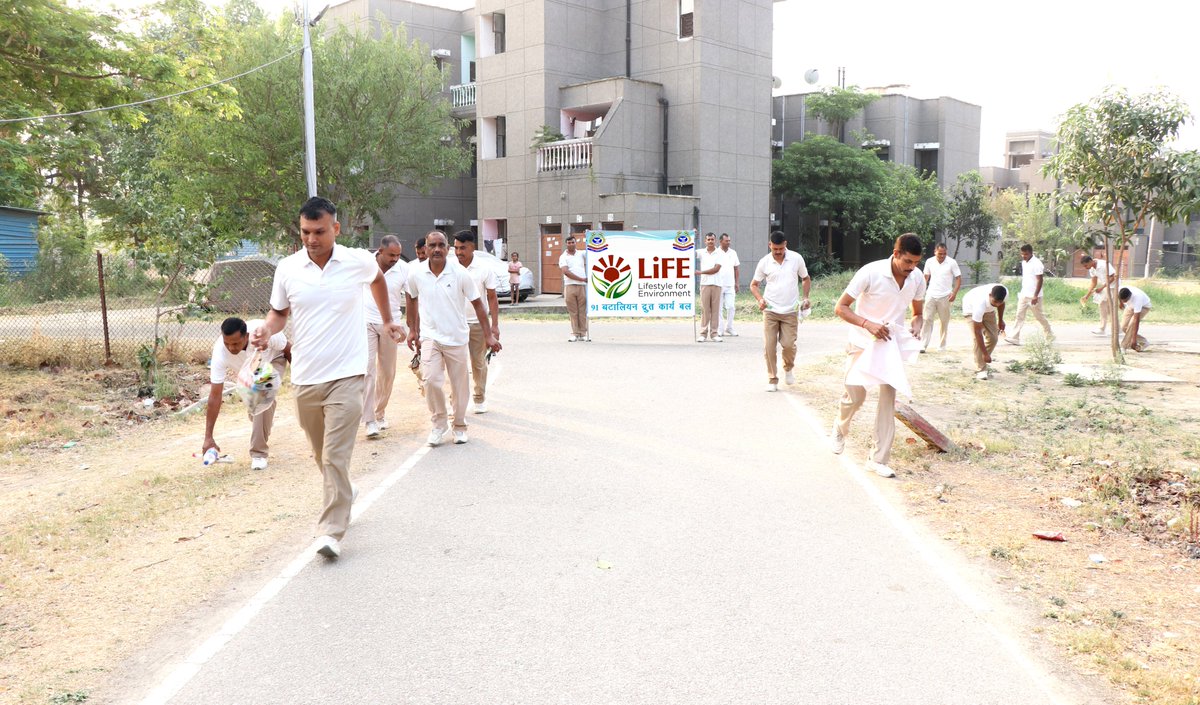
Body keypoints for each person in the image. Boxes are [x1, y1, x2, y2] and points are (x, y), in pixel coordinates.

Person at [251, 197, 404, 559]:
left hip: (348, 375)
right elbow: (278, 314)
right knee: (322, 454)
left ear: (335, 228)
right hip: (306, 377)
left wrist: (386, 320)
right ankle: (344, 494)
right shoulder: (287, 268)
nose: (311, 239)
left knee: (335, 455)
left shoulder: (357, 261)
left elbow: (378, 281)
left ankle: (330, 532)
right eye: (305, 232)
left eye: (319, 231)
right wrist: (264, 330)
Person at [830, 233, 926, 478]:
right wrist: (867, 324)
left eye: (916, 262)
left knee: (887, 401)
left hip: (889, 345)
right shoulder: (870, 272)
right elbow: (840, 308)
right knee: (856, 396)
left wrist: (917, 323)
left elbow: (917, 312)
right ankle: (840, 428)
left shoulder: (915, 278)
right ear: (895, 254)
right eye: (907, 262)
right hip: (862, 341)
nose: (912, 268)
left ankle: (878, 459)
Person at [406, 231, 500, 447]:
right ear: (426, 248)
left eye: (441, 245)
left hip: (457, 337)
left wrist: (489, 334)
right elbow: (411, 299)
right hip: (430, 337)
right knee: (430, 380)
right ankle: (439, 424)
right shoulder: (416, 273)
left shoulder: (459, 273)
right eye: (432, 245)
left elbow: (478, 304)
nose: (437, 249)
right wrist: (413, 330)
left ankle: (459, 425)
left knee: (459, 387)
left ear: (447, 248)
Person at [202, 317, 290, 471]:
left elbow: (288, 349)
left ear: (246, 336)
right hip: (250, 372)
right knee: (257, 410)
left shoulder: (263, 332)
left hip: (274, 360)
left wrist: (302, 380)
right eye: (227, 343)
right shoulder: (219, 352)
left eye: (235, 343)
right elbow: (215, 396)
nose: (231, 348)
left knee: (260, 397)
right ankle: (265, 415)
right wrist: (208, 437)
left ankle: (259, 454)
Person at [750, 231, 810, 392]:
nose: (778, 252)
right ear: (770, 245)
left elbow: (805, 278)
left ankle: (788, 368)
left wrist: (805, 297)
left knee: (788, 345)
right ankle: (772, 378)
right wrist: (760, 299)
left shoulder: (796, 258)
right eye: (775, 249)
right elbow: (754, 284)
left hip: (790, 310)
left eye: (781, 249)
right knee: (769, 346)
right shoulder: (764, 262)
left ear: (786, 245)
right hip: (770, 310)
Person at [362, 236, 409, 439]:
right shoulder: (365, 264)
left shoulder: (404, 269)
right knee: (367, 369)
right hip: (366, 322)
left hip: (392, 325)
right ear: (380, 252)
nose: (395, 259)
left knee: (387, 372)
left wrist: (414, 326)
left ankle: (379, 412)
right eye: (391, 255)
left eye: (398, 255)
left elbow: (412, 297)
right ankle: (369, 419)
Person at [453, 230, 500, 414]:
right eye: (456, 248)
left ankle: (479, 398)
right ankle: (455, 400)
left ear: (472, 247)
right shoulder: (450, 267)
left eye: (463, 248)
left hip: (478, 324)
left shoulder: (484, 268)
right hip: (455, 324)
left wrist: (494, 326)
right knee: (456, 363)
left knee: (478, 362)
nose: (458, 252)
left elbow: (492, 297)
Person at [1006, 243, 1053, 344]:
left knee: (1039, 317)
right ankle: (1014, 337)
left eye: (1026, 254)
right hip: (1024, 294)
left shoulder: (1037, 263)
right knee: (1019, 315)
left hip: (1034, 296)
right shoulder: (1024, 262)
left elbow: (1040, 280)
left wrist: (1035, 295)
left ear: (1031, 253)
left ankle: (1049, 336)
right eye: (1022, 254)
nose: (1024, 256)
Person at [920, 243, 961, 353]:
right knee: (926, 319)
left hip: (945, 296)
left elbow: (958, 278)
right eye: (940, 254)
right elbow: (926, 277)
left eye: (944, 254)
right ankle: (923, 345)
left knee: (944, 321)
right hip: (931, 294)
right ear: (935, 252)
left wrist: (954, 293)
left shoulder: (952, 262)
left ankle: (942, 345)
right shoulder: (929, 261)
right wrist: (921, 292)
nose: (942, 256)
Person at [961, 284, 1007, 380]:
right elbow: (978, 332)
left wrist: (1001, 320)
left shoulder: (1004, 293)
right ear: (990, 295)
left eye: (999, 302)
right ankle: (981, 369)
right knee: (976, 339)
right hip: (970, 309)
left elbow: (1002, 304)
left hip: (988, 311)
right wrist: (986, 354)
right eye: (995, 301)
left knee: (993, 338)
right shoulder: (979, 303)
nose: (997, 304)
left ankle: (978, 359)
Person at [695, 232, 725, 342]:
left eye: (712, 239)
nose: (710, 241)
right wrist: (693, 236)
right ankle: (703, 334)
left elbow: (716, 269)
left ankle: (714, 334)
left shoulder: (720, 253)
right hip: (705, 284)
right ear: (705, 241)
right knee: (705, 310)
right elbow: (689, 251)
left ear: (715, 240)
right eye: (708, 239)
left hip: (716, 284)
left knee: (715, 310)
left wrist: (700, 272)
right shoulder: (701, 252)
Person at [559, 236, 589, 342]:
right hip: (570, 286)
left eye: (572, 242)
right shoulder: (563, 257)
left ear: (576, 243)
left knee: (582, 311)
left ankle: (583, 333)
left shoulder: (581, 253)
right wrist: (582, 279)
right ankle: (575, 333)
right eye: (569, 243)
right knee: (573, 311)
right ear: (566, 244)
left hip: (582, 287)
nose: (571, 244)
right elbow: (566, 271)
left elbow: (594, 253)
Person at [1079, 254, 1117, 336]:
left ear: (1090, 261)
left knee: (1102, 304)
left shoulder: (1103, 265)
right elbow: (1094, 282)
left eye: (1086, 265)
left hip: (1114, 286)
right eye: (1084, 266)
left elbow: (1113, 277)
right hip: (1106, 286)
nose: (1085, 267)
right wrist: (1087, 295)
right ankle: (1118, 329)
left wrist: (1102, 288)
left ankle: (1102, 329)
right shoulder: (1091, 269)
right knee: (1109, 309)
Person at [717, 233, 741, 337]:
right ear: (721, 241)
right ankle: (720, 329)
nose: (729, 242)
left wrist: (737, 283)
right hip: (718, 284)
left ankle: (729, 327)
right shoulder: (716, 252)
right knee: (718, 308)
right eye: (727, 241)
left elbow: (736, 268)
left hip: (730, 284)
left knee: (731, 306)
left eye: (729, 241)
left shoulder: (733, 253)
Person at [1118, 285, 1152, 352]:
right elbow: (1118, 296)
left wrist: (1134, 340)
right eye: (1123, 300)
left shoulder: (1137, 298)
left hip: (1144, 307)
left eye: (1125, 300)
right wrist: (1121, 303)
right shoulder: (1120, 290)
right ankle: (1144, 342)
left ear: (1129, 297)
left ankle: (1123, 347)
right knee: (1123, 327)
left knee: (1131, 325)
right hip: (1130, 307)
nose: (1124, 302)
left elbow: (1135, 321)